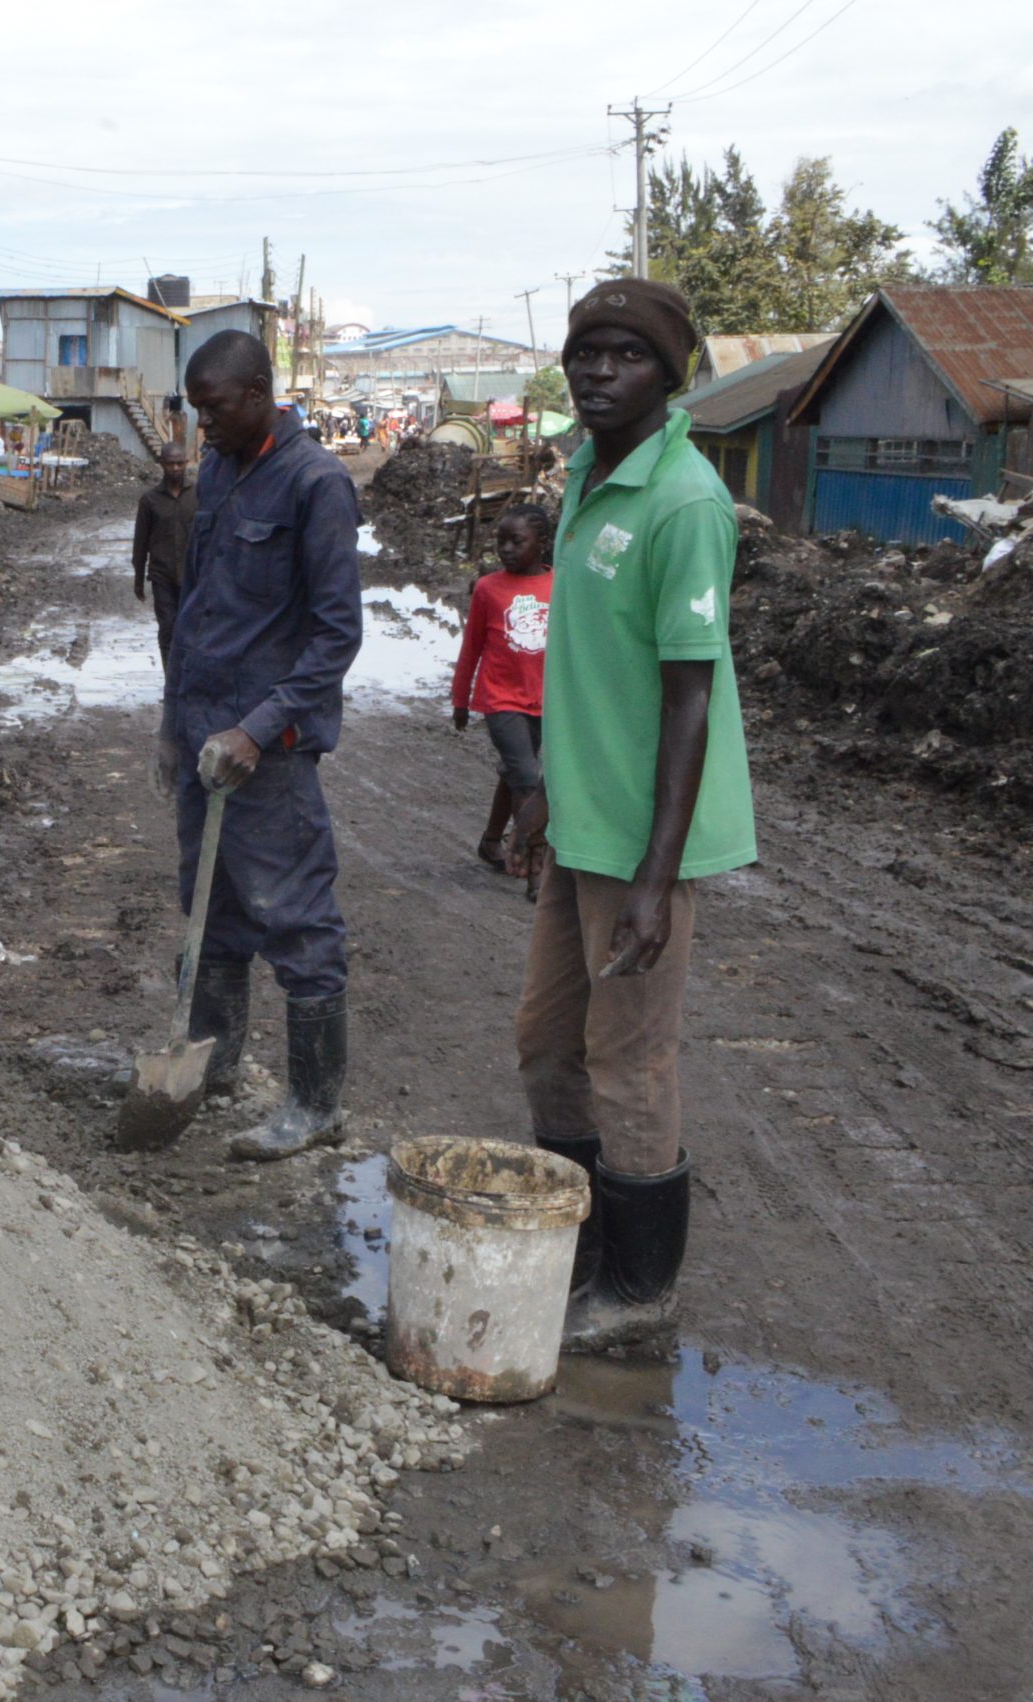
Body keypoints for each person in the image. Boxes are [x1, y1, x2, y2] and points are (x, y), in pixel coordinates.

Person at [509, 279, 756, 1352]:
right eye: (586, 353)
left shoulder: (683, 501)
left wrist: (656, 874)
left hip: (643, 839)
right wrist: (536, 793)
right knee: (543, 1042)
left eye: (626, 357)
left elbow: (688, 696)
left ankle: (639, 1282)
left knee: (628, 1057)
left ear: (670, 375)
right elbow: (581, 667)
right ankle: (577, 1243)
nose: (599, 372)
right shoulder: (583, 475)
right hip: (581, 821)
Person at [157, 329, 365, 1162]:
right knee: (212, 913)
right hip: (203, 730)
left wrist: (257, 728)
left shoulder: (317, 484)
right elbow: (205, 605)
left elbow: (335, 635)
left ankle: (316, 1103)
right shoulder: (218, 469)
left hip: (264, 753)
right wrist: (174, 720)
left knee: (297, 921)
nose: (202, 426)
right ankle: (212, 1062)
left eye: (214, 409)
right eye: (196, 409)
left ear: (260, 392)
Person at [450, 502, 554, 898]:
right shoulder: (488, 589)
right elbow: (471, 648)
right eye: (500, 542)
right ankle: (534, 866)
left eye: (517, 541)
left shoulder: (559, 586)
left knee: (514, 772)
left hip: (544, 700)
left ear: (542, 544)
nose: (506, 549)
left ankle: (491, 841)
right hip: (500, 699)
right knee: (528, 778)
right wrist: (461, 700)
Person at [132, 441, 199, 672]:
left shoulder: (198, 495)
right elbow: (140, 543)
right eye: (171, 464)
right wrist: (138, 579)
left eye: (180, 463)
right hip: (162, 576)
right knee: (168, 628)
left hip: (193, 575)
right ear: (161, 464)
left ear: (187, 464)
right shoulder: (150, 500)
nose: (176, 468)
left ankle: (187, 678)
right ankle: (171, 680)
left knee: (191, 629)